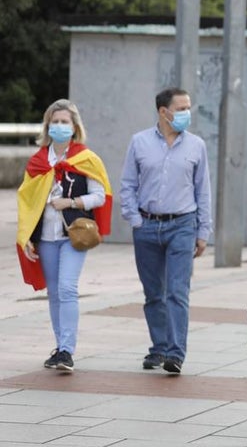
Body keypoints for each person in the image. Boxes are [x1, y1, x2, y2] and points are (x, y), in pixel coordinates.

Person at [120, 87, 212, 375]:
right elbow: (128, 184)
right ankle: (159, 347)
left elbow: (203, 190)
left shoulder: (196, 146)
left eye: (188, 107)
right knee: (153, 293)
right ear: (163, 112)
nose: (187, 113)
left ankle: (175, 353)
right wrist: (134, 218)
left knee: (177, 291)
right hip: (146, 226)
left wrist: (203, 231)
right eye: (181, 108)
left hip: (182, 225)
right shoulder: (139, 142)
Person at [16, 99, 112, 374]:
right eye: (55, 122)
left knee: (68, 288)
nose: (59, 126)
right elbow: (26, 201)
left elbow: (100, 196)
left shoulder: (86, 159)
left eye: (64, 122)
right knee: (55, 293)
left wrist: (71, 202)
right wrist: (26, 236)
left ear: (74, 127)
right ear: (48, 126)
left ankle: (67, 350)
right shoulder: (37, 162)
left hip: (74, 235)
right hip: (45, 237)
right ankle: (60, 347)